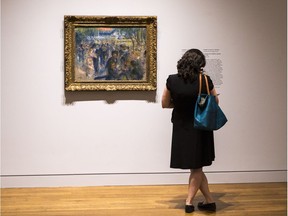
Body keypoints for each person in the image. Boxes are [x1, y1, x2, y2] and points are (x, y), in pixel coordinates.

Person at [161, 49, 219, 213]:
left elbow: (165, 104)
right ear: (200, 64)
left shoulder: (172, 80)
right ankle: (204, 201)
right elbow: (215, 101)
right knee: (197, 167)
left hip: (181, 126)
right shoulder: (205, 80)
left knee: (196, 167)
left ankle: (195, 202)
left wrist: (180, 104)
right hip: (201, 126)